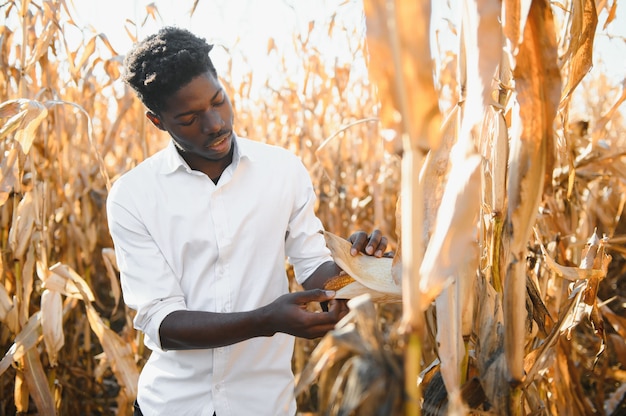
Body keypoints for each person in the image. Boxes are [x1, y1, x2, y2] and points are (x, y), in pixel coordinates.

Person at [106, 26, 388, 416]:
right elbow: (162, 323)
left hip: (265, 404)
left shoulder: (282, 170)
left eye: (219, 101)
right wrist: (266, 320)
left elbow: (313, 267)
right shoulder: (132, 195)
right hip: (172, 405)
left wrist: (359, 267)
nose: (215, 124)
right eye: (189, 118)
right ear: (158, 121)